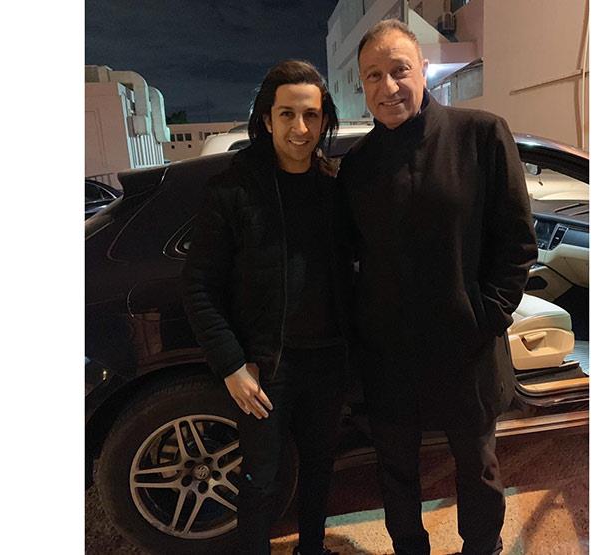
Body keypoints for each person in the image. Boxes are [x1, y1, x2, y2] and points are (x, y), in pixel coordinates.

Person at [337, 20, 538, 555]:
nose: (388, 86)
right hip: (388, 354)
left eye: (399, 70)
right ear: (362, 85)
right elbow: (347, 257)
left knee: (478, 467)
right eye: (373, 75)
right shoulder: (357, 166)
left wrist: (485, 314)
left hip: (466, 345)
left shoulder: (481, 135)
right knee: (395, 469)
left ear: (423, 70)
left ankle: (482, 547)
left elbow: (517, 242)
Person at [181, 60, 352, 555]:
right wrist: (231, 365)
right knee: (262, 479)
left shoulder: (333, 189)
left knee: (320, 469)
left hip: (329, 360)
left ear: (324, 120)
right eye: (287, 114)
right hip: (266, 368)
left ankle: (312, 548)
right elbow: (198, 285)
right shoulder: (233, 190)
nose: (300, 128)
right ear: (266, 118)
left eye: (311, 115)